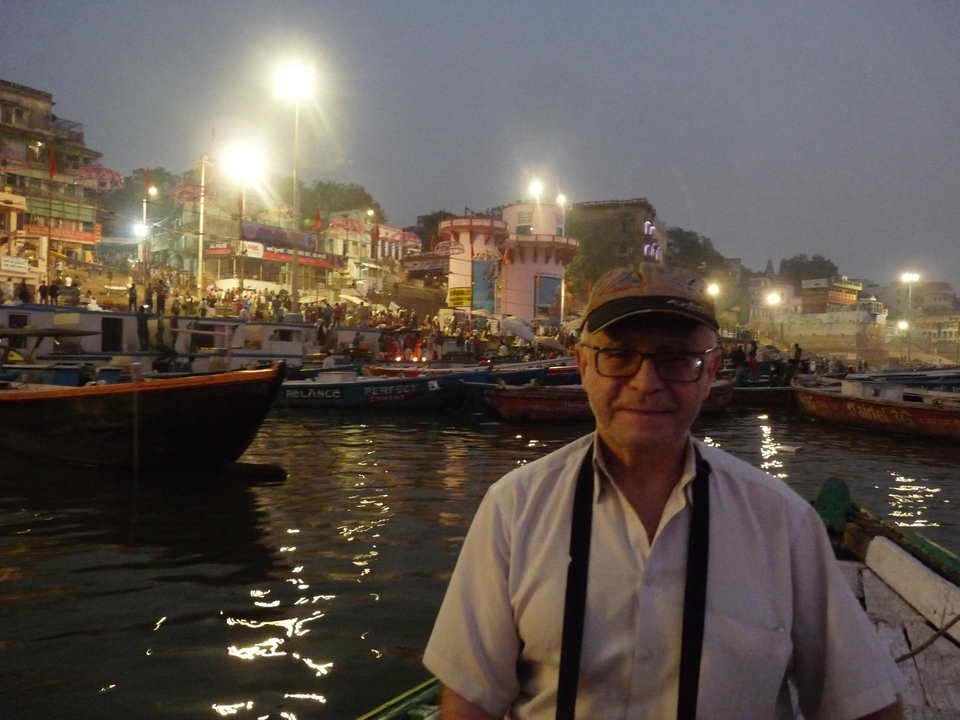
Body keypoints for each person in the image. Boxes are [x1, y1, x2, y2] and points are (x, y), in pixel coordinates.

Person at [424, 264, 904, 720]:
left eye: (676, 360)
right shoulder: (515, 509)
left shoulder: (784, 524)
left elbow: (862, 702)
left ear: (711, 370)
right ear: (583, 365)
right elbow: (471, 702)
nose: (646, 383)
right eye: (620, 356)